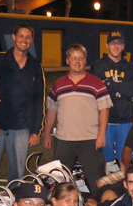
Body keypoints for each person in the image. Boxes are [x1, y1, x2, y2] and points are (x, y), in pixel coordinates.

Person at [43, 44, 113, 194]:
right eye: (73, 58)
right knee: (60, 180)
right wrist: (47, 132)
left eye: (80, 58)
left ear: (85, 60)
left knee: (97, 181)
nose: (77, 61)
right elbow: (52, 110)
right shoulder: (58, 84)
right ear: (67, 60)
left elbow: (104, 109)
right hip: (64, 139)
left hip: (90, 140)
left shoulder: (96, 83)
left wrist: (101, 134)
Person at [0, 24, 46, 189]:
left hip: (21, 127)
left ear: (32, 40)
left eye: (28, 37)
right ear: (14, 37)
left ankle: (12, 205)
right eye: (21, 36)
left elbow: (39, 100)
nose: (24, 40)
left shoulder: (35, 66)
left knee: (17, 173)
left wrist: (36, 131)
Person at [89, 30, 133, 171]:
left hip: (125, 120)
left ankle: (125, 187)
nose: (116, 46)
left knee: (124, 159)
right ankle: (104, 189)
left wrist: (107, 84)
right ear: (107, 45)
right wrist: (122, 88)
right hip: (103, 120)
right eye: (113, 43)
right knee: (104, 160)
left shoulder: (131, 68)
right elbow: (93, 92)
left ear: (124, 46)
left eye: (119, 43)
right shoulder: (97, 66)